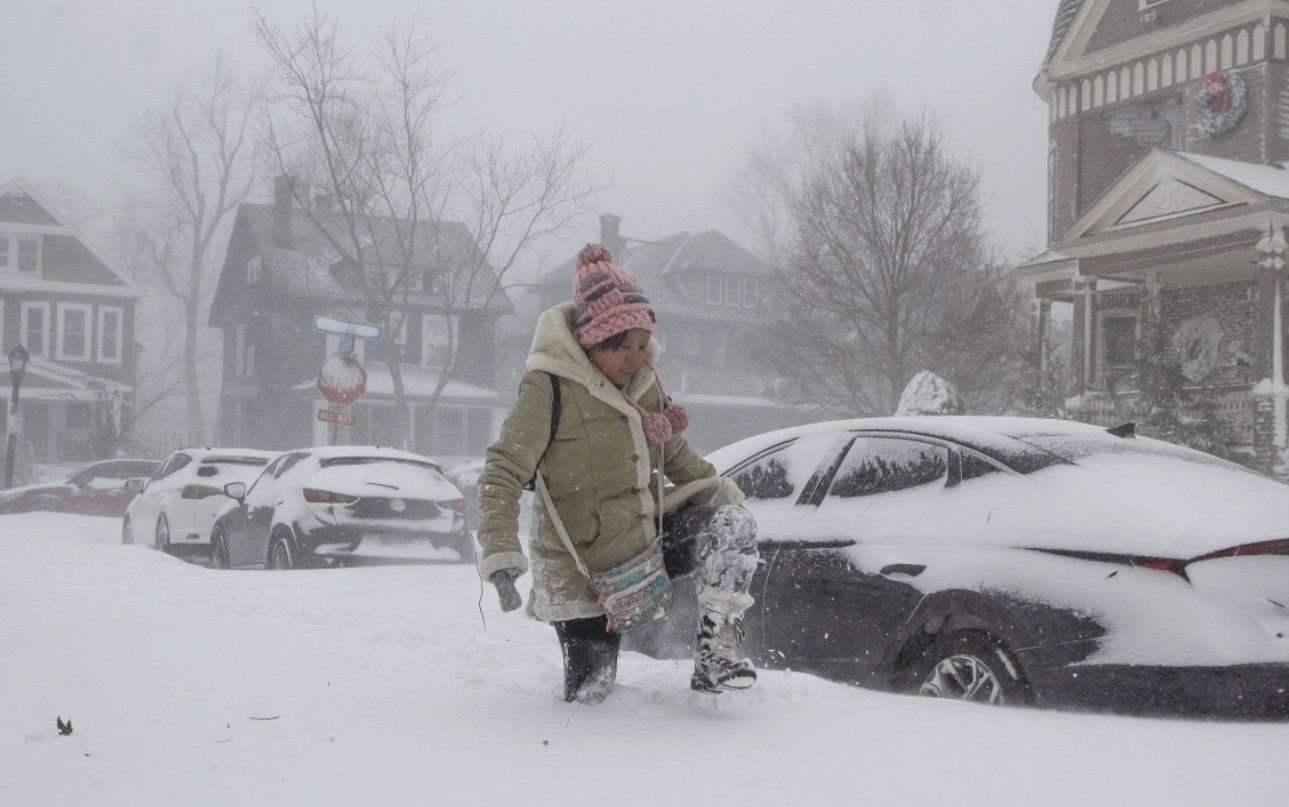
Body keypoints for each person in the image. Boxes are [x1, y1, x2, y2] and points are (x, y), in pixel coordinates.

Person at [476, 243, 760, 704]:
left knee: (730, 523)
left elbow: (679, 459)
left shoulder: (645, 388)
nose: (634, 358)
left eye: (642, 345)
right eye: (621, 346)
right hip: (581, 567)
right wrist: (501, 553)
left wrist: (733, 502)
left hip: (644, 544)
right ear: (592, 340)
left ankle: (717, 656)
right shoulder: (548, 388)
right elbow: (502, 471)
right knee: (592, 697)